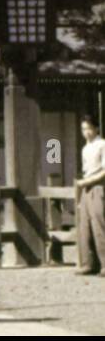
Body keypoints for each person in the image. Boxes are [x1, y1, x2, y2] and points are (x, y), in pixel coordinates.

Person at [75, 114, 105, 275]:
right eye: (83, 129)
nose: (86, 132)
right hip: (86, 187)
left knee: (99, 224)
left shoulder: (102, 145)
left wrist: (88, 182)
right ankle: (88, 263)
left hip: (98, 186)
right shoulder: (85, 148)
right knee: (85, 226)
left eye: (89, 128)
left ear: (96, 128)